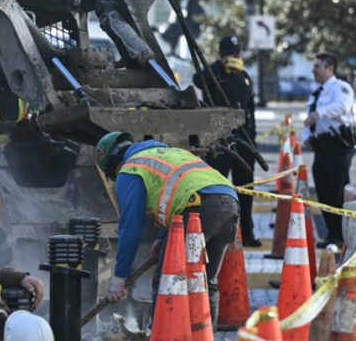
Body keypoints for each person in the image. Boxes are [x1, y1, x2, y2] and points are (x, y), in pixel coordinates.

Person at [97, 132, 239, 325]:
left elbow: (129, 228)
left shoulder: (130, 169)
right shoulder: (171, 153)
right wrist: (164, 237)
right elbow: (179, 191)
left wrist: (120, 277)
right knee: (205, 281)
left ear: (114, 165)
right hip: (229, 205)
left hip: (198, 210)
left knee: (168, 280)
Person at [193, 34, 259, 247]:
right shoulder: (214, 73)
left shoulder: (244, 76)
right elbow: (197, 79)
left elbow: (251, 109)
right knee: (218, 188)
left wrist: (253, 142)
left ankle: (247, 233)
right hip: (218, 140)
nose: (234, 57)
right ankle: (216, 235)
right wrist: (218, 66)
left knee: (245, 189)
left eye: (236, 53)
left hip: (243, 140)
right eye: (230, 54)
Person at [303, 52, 356, 248]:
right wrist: (307, 138)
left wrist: (320, 114)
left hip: (338, 146)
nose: (313, 70)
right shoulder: (318, 92)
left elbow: (342, 107)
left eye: (318, 66)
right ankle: (331, 233)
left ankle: (341, 235)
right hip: (321, 148)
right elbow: (309, 117)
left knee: (336, 191)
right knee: (323, 191)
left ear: (329, 68)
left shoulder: (341, 87)